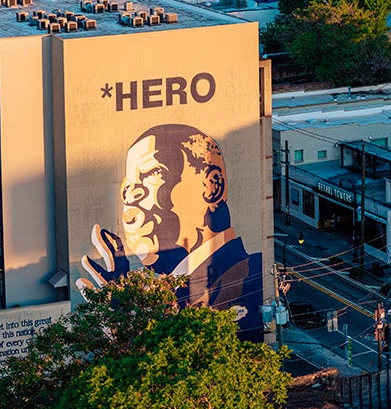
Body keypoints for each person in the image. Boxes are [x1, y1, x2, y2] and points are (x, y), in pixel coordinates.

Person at [78, 124, 265, 337]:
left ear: (212, 186)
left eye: (153, 173)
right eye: (126, 189)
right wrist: (122, 323)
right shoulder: (160, 293)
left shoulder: (254, 274)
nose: (131, 198)